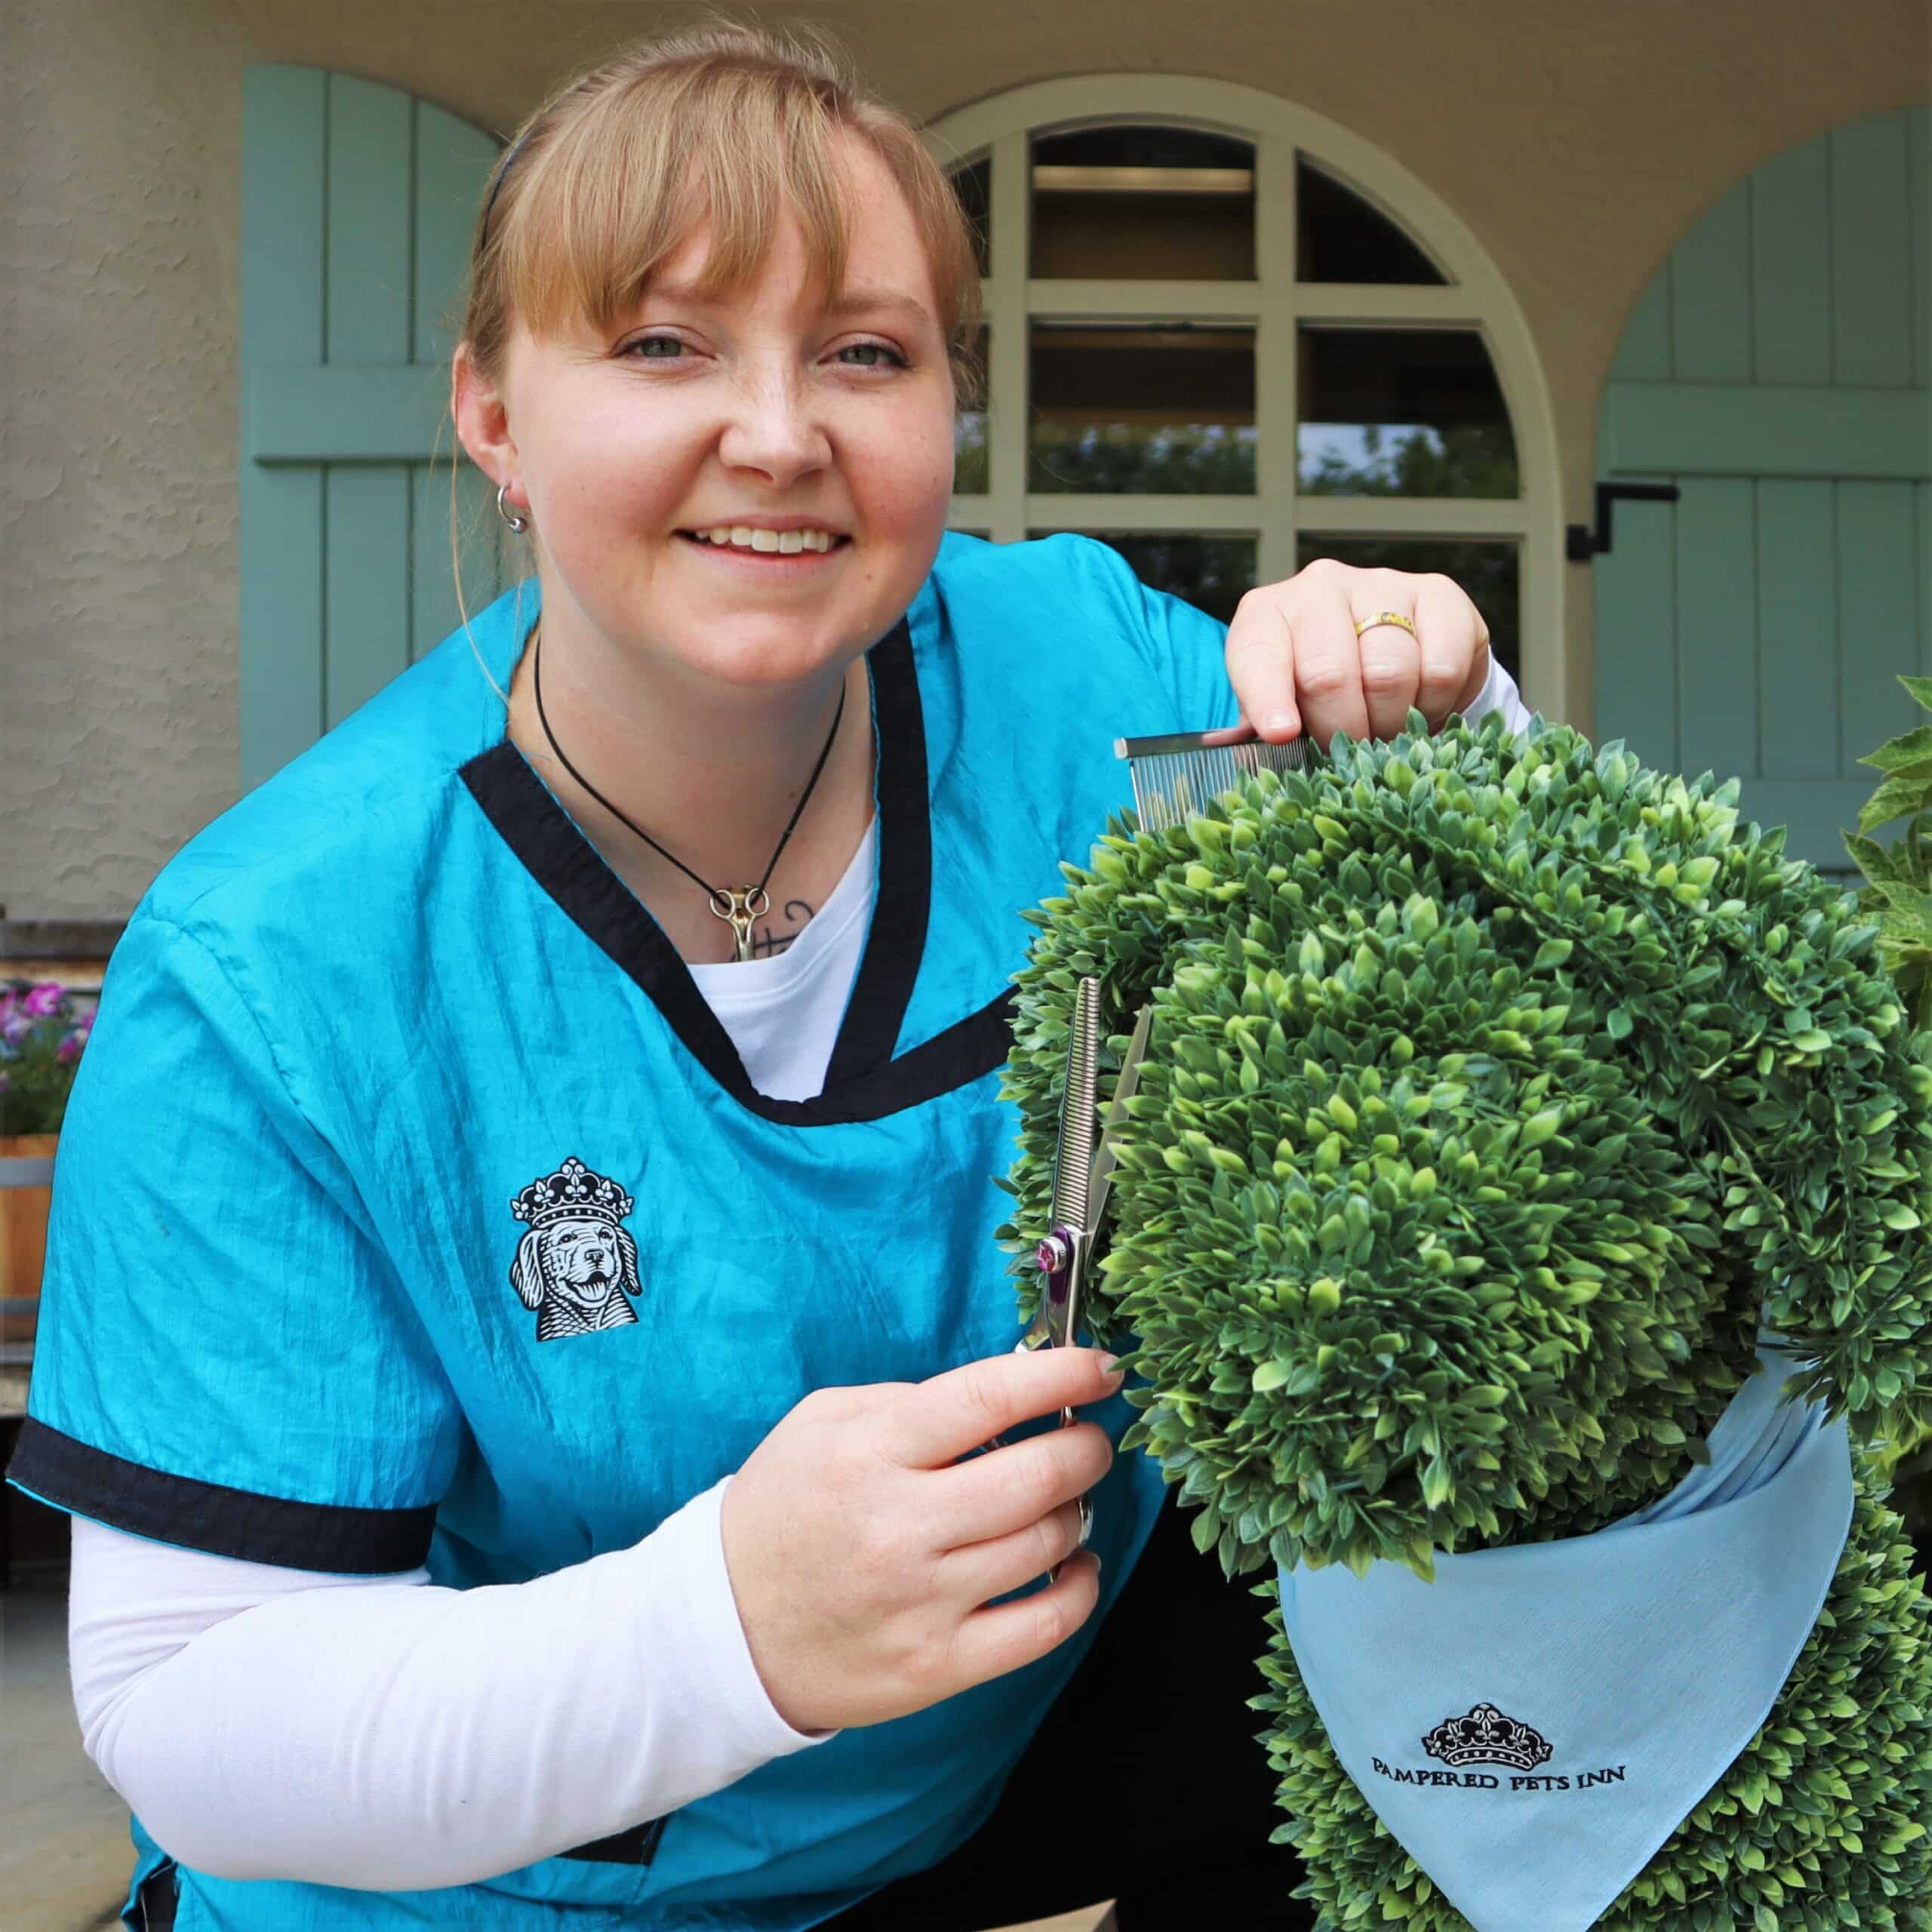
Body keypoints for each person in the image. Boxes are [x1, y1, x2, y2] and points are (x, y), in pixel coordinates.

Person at [5, 20, 1531, 1931]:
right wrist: (722, 1624)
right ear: (490, 411)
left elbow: (1544, 960)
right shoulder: (276, 967)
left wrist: (1434, 694)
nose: (782, 430)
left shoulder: (1080, 676)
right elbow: (187, 1699)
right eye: (662, 343)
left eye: (866, 352)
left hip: (994, 1791)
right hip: (489, 1896)